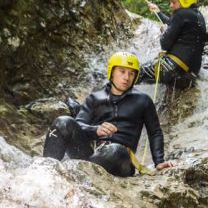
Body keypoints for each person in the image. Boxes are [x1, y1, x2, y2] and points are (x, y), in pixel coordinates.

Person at [43, 51, 174, 177]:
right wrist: (96, 130)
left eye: (131, 73)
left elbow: (155, 132)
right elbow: (79, 125)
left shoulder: (143, 100)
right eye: (122, 72)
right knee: (63, 122)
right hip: (93, 157)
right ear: (112, 72)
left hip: (121, 160)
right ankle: (45, 171)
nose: (127, 77)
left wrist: (159, 161)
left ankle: (83, 173)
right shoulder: (95, 98)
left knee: (116, 150)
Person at [137, 0, 207, 90]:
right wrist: (158, 12)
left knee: (136, 72)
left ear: (185, 0)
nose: (171, 5)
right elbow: (173, 23)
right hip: (189, 73)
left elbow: (164, 44)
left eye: (174, 2)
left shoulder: (180, 14)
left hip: (174, 68)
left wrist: (164, 32)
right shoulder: (196, 15)